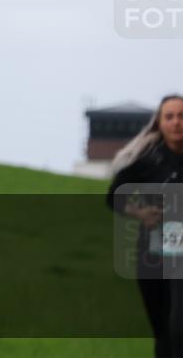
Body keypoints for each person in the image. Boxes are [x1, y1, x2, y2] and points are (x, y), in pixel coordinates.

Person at [106, 94, 183, 358]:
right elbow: (114, 195)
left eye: (181, 116)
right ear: (159, 123)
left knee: (178, 325)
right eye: (169, 117)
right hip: (151, 252)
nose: (176, 122)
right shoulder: (149, 158)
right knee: (162, 329)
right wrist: (141, 214)